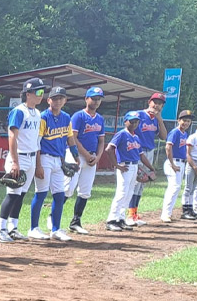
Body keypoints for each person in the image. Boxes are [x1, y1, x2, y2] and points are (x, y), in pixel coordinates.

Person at [0, 78, 46, 243]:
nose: (41, 95)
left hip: (30, 157)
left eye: (42, 92)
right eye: (38, 92)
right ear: (28, 94)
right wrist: (15, 162)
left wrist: (37, 164)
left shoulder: (37, 113)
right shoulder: (19, 111)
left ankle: (12, 228)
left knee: (21, 195)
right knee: (12, 194)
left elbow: (36, 141)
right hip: (19, 157)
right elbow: (12, 136)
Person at [29, 86, 80, 242]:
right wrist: (38, 165)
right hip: (44, 158)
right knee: (41, 193)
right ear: (49, 100)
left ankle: (56, 229)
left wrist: (75, 155)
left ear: (65, 100)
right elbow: (37, 142)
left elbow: (70, 138)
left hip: (59, 159)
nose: (58, 101)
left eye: (61, 98)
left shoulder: (66, 118)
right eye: (55, 98)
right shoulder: (43, 117)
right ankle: (34, 228)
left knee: (59, 195)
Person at [63, 87, 106, 235]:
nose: (96, 101)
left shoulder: (100, 119)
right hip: (76, 155)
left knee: (85, 191)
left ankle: (76, 221)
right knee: (68, 187)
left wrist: (98, 156)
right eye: (93, 98)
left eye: (99, 99)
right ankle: (53, 217)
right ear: (86, 99)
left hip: (92, 157)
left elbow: (101, 140)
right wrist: (86, 155)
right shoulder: (78, 116)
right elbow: (73, 138)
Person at [105, 111, 157, 232]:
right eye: (131, 121)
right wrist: (116, 165)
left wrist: (151, 168)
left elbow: (141, 155)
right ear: (125, 121)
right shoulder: (121, 134)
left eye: (136, 122)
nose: (134, 124)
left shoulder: (136, 137)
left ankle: (121, 219)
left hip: (134, 166)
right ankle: (111, 220)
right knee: (121, 193)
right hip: (125, 166)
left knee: (129, 193)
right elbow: (109, 149)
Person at [127, 93, 167, 226]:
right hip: (137, 151)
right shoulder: (139, 114)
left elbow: (163, 136)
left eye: (160, 103)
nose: (157, 105)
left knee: (142, 184)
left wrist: (160, 119)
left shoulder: (156, 119)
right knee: (135, 182)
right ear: (149, 102)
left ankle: (134, 214)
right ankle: (129, 215)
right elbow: (128, 129)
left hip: (149, 152)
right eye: (155, 102)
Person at [160, 110, 193, 222]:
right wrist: (172, 164)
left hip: (181, 163)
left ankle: (168, 213)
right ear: (179, 120)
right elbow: (168, 148)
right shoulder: (175, 132)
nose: (186, 123)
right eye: (184, 120)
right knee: (173, 188)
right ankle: (165, 214)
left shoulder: (185, 133)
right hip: (173, 162)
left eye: (188, 121)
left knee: (176, 188)